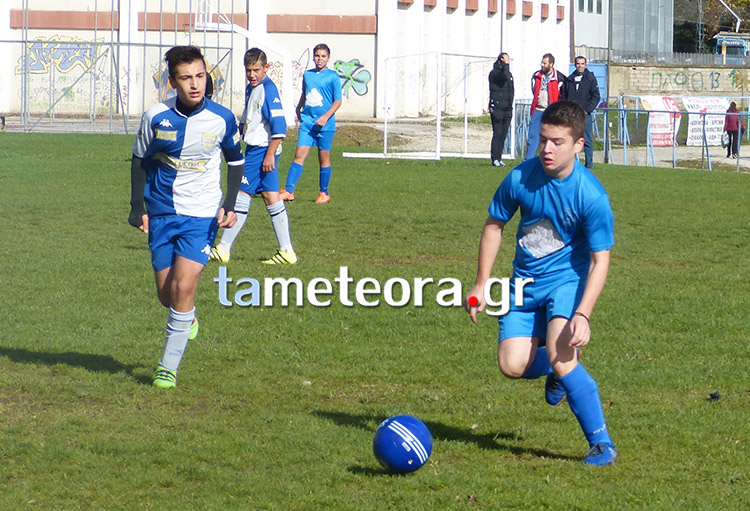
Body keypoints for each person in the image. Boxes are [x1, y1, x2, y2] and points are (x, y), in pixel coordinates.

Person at [465, 100, 617, 466]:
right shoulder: (520, 177)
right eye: (543, 140)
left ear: (579, 145)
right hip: (523, 283)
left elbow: (600, 261)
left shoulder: (591, 196)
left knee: (565, 359)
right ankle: (551, 366)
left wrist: (583, 314)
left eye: (558, 142)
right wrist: (481, 282)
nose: (547, 149)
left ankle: (602, 444)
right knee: (512, 365)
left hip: (568, 282)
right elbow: (493, 225)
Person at [128, 45, 245, 388]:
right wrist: (137, 206)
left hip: (202, 213)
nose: (195, 84)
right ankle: (187, 314)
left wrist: (230, 203)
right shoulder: (155, 117)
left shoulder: (222, 118)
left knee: (184, 285)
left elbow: (236, 162)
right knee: (167, 295)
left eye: (200, 76)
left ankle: (168, 366)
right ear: (172, 82)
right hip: (163, 211)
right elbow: (138, 160)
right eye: (186, 78)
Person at [209, 48, 297, 265]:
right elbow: (253, 116)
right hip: (257, 149)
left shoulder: (269, 89)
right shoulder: (252, 87)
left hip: (262, 150)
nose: (252, 74)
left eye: (256, 69)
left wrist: (269, 155)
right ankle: (287, 251)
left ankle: (223, 248)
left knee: (241, 194)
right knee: (271, 197)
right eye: (248, 70)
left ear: (266, 68)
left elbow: (279, 126)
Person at [279, 43, 343, 204]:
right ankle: (288, 191)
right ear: (313, 57)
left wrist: (326, 117)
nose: (319, 59)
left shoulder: (333, 77)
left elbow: (337, 101)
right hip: (308, 123)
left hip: (325, 126)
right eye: (317, 55)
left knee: (324, 158)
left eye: (323, 56)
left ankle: (324, 193)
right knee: (299, 155)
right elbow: (305, 93)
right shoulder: (308, 75)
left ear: (328, 58)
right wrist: (299, 107)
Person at [525, 53, 566, 160]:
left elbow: (562, 95)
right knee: (532, 137)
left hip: (551, 111)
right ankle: (528, 160)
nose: (542, 65)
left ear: (551, 64)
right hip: (538, 109)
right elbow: (534, 91)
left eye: (545, 63)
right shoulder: (537, 76)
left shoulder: (560, 78)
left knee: (552, 136)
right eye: (542, 63)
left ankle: (554, 159)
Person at [562, 56, 600, 169]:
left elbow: (596, 96)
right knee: (570, 139)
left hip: (584, 115)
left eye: (582, 64)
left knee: (587, 139)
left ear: (585, 65)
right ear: (575, 65)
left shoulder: (590, 78)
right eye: (578, 64)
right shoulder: (569, 79)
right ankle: (569, 162)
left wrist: (587, 110)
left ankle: (589, 164)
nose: (580, 66)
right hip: (572, 115)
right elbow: (564, 96)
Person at [489, 52, 515, 167]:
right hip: (498, 108)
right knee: (497, 133)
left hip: (507, 108)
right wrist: (506, 65)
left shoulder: (508, 73)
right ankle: (494, 158)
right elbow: (503, 77)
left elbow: (511, 88)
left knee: (503, 134)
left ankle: (499, 158)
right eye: (505, 60)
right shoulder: (494, 73)